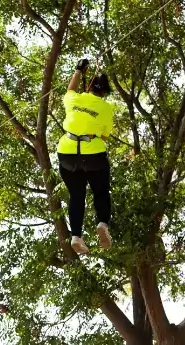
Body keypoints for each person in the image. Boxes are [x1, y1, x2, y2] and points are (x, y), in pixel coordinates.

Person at [57, 58, 114, 255]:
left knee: (76, 195)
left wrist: (78, 71)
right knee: (100, 190)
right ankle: (103, 224)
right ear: (104, 93)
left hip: (67, 152)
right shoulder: (106, 108)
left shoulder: (73, 99)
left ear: (89, 87)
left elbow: (69, 90)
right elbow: (105, 135)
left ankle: (76, 236)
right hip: (93, 155)